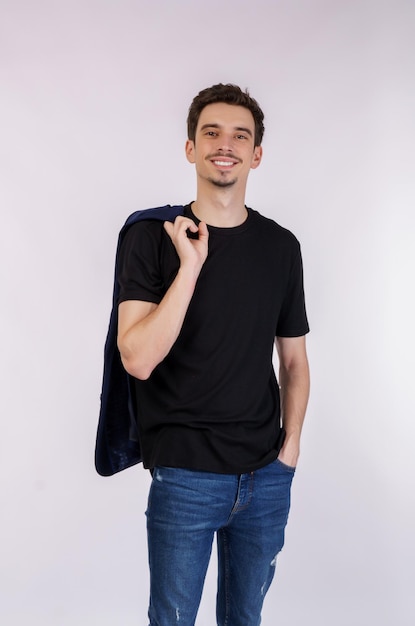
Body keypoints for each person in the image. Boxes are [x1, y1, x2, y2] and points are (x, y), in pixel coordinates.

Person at [116, 83, 310, 626]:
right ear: (190, 148)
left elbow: (293, 361)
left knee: (245, 620)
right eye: (212, 133)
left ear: (256, 155)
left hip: (266, 474)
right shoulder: (154, 237)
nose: (225, 145)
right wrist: (192, 265)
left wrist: (289, 450)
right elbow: (138, 358)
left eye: (239, 136)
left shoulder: (281, 248)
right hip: (186, 476)